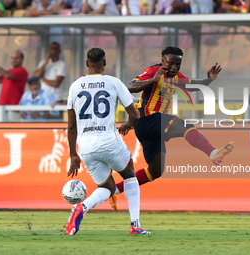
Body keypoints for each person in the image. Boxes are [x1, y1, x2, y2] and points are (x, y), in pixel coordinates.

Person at [109, 46, 234, 210]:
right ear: (163, 61)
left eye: (178, 65)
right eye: (171, 64)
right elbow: (130, 86)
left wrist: (208, 79)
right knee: (184, 126)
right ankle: (212, 152)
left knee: (155, 171)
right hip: (148, 119)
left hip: (151, 128)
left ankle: (114, 190)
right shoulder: (153, 71)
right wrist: (153, 80)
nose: (174, 68)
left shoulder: (176, 77)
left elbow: (193, 85)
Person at [65, 47, 150, 236]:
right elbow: (135, 115)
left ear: (87, 64)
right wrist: (128, 124)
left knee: (108, 187)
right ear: (104, 63)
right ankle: (135, 224)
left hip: (86, 146)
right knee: (129, 174)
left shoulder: (75, 86)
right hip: (108, 140)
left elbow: (71, 126)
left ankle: (82, 207)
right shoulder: (113, 82)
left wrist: (73, 154)